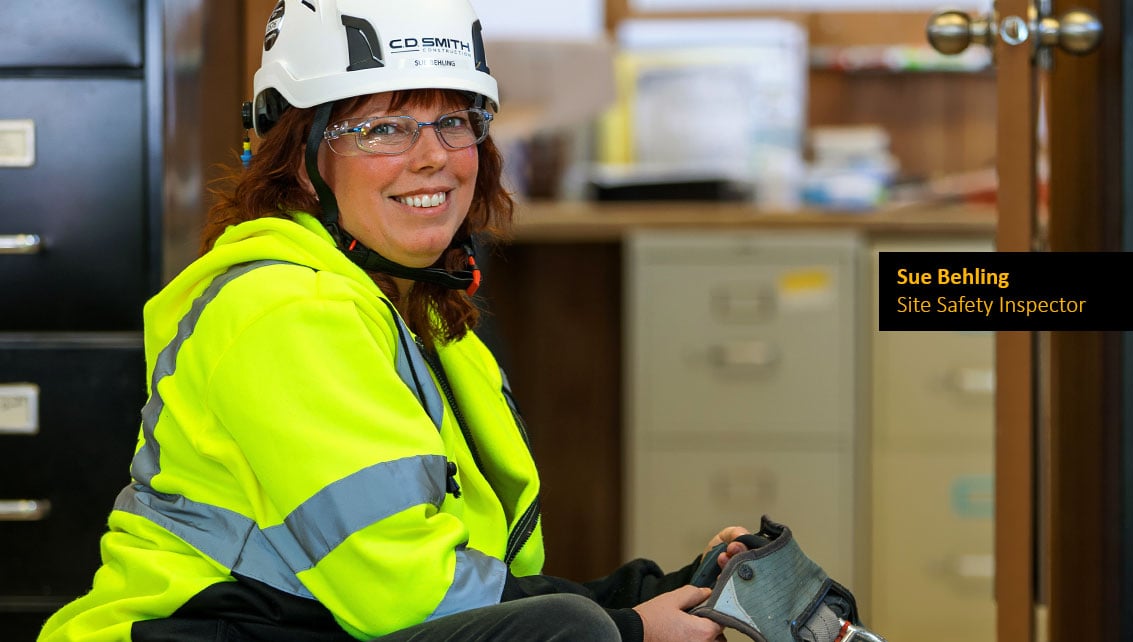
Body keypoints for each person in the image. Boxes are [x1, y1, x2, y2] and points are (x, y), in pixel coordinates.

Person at [37, 1, 750, 640]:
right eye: (384, 128)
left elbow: (467, 575)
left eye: (453, 120)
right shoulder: (286, 310)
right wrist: (624, 628)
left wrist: (660, 591)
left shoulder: (411, 309)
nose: (433, 156)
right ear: (303, 156)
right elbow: (407, 594)